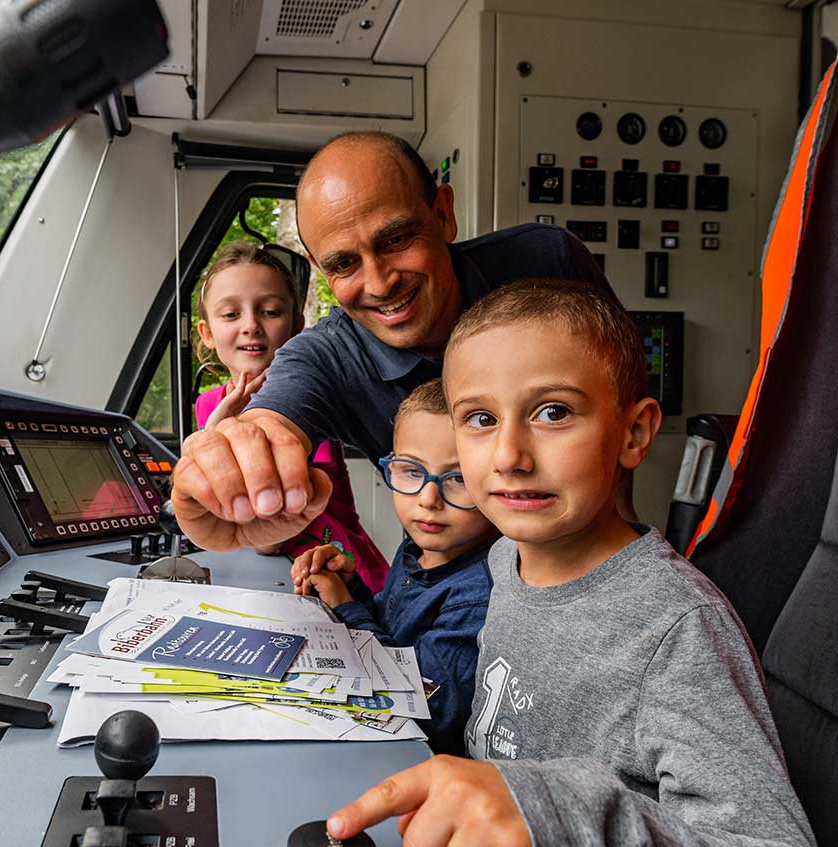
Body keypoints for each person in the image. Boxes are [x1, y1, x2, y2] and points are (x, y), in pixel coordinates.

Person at [324, 279, 836, 847]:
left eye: (553, 412)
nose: (510, 455)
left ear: (634, 433)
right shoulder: (504, 559)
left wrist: (564, 822)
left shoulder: (679, 629)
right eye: (481, 419)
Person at [171, 131, 609, 553]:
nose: (380, 284)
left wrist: (620, 534)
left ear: (443, 215)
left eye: (396, 239)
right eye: (343, 263)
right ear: (321, 270)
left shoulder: (548, 262)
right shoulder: (327, 357)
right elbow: (275, 418)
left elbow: (616, 398)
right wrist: (242, 462)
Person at [290, 379, 497, 754]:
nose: (428, 499)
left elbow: (421, 700)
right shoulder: (417, 549)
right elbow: (392, 632)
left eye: (459, 478)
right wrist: (349, 587)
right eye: (411, 472)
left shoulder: (479, 594)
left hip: (418, 760)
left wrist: (344, 607)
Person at [192, 241, 388, 595]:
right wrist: (213, 430)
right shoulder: (208, 404)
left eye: (269, 311)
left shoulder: (310, 401)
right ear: (207, 333)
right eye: (231, 314)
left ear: (297, 326)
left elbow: (268, 533)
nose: (251, 325)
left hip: (343, 572)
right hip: (273, 573)